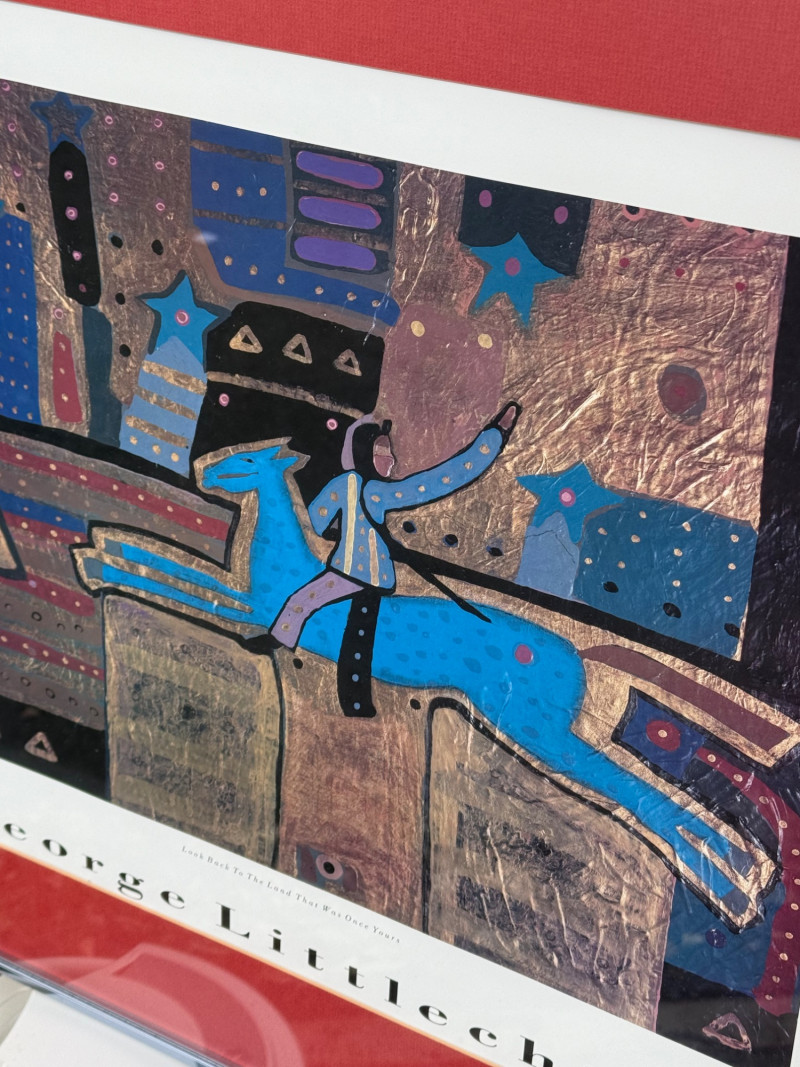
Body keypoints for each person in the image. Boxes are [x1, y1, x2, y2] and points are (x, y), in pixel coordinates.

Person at [267, 401, 521, 650]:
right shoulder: (370, 491)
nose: (389, 459)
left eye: (389, 452)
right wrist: (493, 438)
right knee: (303, 601)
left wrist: (337, 531)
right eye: (382, 452)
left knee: (301, 601)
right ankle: (277, 641)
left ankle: (277, 640)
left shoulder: (351, 485)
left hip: (352, 571)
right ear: (364, 453)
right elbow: (438, 481)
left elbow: (317, 519)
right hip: (364, 572)